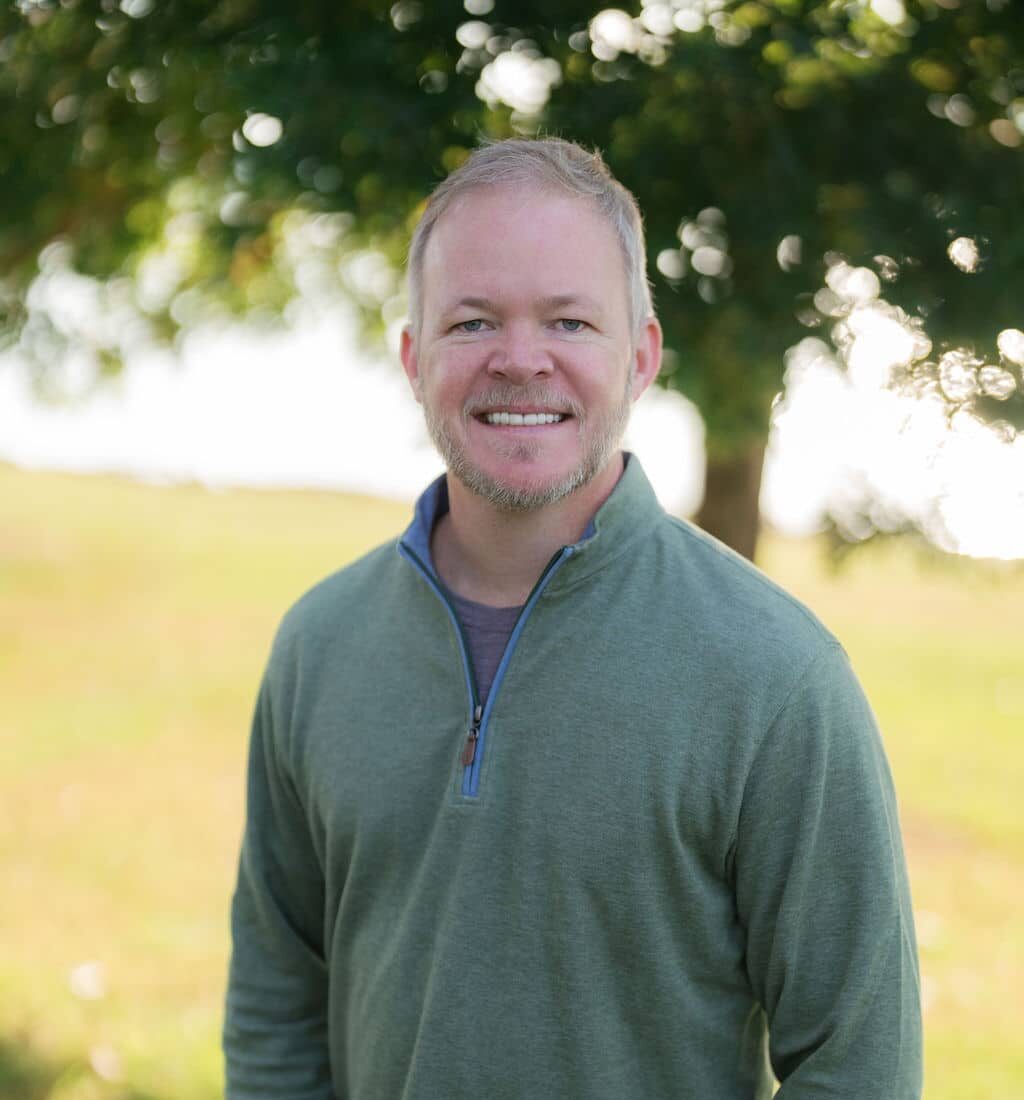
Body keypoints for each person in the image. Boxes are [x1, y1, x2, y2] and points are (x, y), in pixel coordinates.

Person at [223, 138, 922, 1099]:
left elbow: (859, 1067)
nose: (520, 360)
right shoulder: (319, 645)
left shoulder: (777, 678)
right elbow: (276, 1005)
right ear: (413, 357)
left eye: (570, 321)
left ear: (639, 357)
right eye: (471, 322)